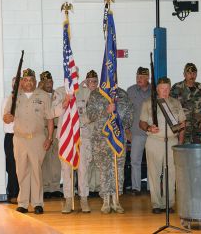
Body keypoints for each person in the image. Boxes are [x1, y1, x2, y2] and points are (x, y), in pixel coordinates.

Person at [3, 68, 54, 215]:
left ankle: (38, 203)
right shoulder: (14, 97)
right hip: (19, 139)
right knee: (21, 171)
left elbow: (50, 119)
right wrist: (8, 117)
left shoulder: (44, 96)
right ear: (21, 82)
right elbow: (6, 117)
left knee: (36, 172)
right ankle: (23, 203)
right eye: (25, 80)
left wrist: (50, 138)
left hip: (37, 138)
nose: (28, 82)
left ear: (35, 81)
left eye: (31, 80)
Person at [139, 77, 185, 214]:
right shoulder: (148, 103)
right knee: (154, 173)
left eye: (167, 88)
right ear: (157, 89)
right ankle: (156, 204)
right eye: (162, 88)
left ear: (170, 89)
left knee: (171, 173)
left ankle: (169, 203)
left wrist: (180, 143)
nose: (165, 91)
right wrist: (148, 128)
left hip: (172, 142)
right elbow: (141, 123)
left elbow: (183, 123)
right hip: (154, 141)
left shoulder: (176, 103)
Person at [54, 69, 97, 213]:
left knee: (83, 168)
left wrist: (81, 121)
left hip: (82, 135)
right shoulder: (60, 92)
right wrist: (64, 102)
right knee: (66, 170)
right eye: (70, 76)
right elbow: (53, 112)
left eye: (75, 76)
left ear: (78, 77)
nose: (73, 78)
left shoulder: (86, 92)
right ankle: (68, 199)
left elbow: (92, 113)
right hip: (66, 136)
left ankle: (84, 199)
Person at [86, 86, 133, 214]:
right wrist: (106, 111)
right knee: (104, 170)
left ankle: (116, 199)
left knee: (118, 169)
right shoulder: (95, 94)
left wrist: (117, 117)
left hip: (117, 138)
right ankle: (106, 200)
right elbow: (90, 115)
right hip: (101, 139)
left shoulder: (122, 94)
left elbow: (129, 117)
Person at [170, 63, 201, 143]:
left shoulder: (200, 88)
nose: (192, 75)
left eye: (194, 73)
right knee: (182, 154)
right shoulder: (177, 88)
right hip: (182, 130)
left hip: (198, 129)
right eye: (189, 73)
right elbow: (170, 107)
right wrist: (174, 127)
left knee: (198, 153)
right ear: (184, 74)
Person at [126, 67, 151, 195]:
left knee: (152, 161)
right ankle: (136, 187)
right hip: (136, 132)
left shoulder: (155, 91)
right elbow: (126, 112)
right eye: (137, 76)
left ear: (148, 77)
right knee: (135, 160)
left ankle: (151, 188)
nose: (139, 79)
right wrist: (126, 130)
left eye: (141, 77)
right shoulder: (130, 91)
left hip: (152, 133)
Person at [39, 71, 63, 199]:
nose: (49, 84)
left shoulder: (57, 95)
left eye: (51, 81)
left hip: (56, 130)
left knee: (56, 159)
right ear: (41, 82)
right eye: (47, 82)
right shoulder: (38, 96)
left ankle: (55, 187)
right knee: (45, 158)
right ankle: (46, 187)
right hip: (43, 130)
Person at [2, 77, 19, 204]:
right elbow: (7, 119)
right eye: (15, 84)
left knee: (24, 167)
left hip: (23, 137)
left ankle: (24, 193)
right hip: (11, 136)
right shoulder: (7, 100)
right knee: (12, 167)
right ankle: (13, 193)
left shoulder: (26, 101)